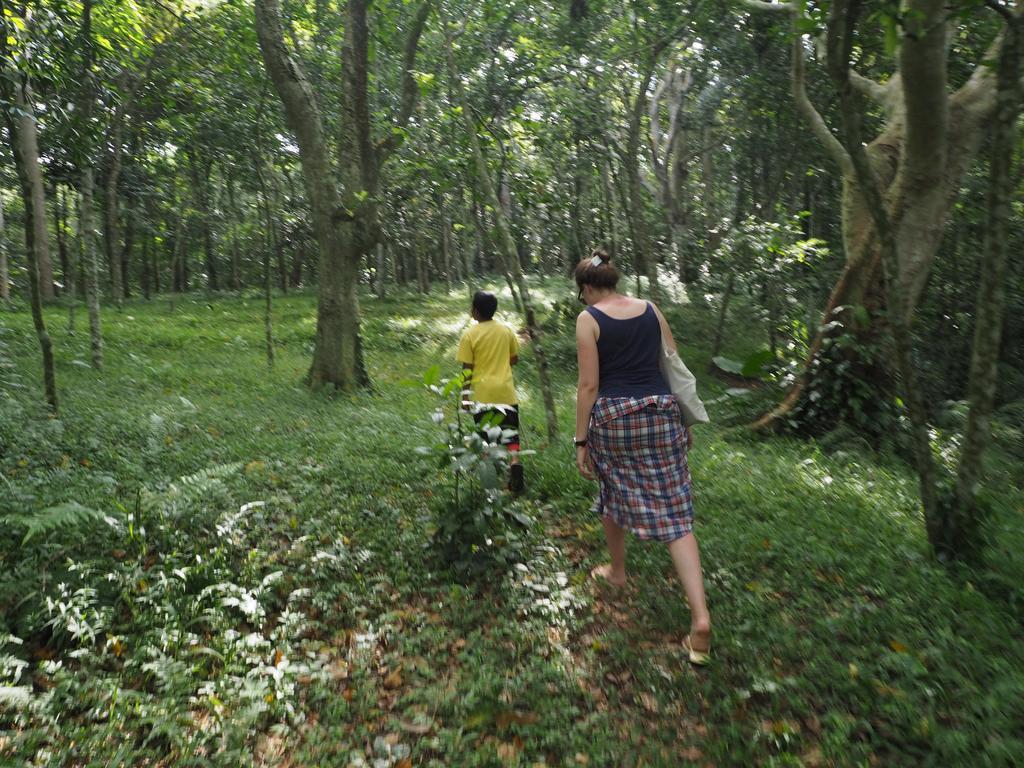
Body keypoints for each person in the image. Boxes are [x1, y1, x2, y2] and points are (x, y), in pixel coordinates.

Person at [573, 249, 712, 665]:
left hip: (615, 420)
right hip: (661, 413)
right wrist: (683, 422)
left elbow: (588, 386)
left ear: (587, 288)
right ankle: (700, 618)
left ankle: (617, 571)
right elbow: (672, 367)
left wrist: (581, 441)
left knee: (611, 488)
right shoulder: (652, 309)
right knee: (676, 515)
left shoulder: (589, 319)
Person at [457, 290, 524, 493]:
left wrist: (465, 396)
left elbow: (467, 369)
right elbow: (514, 359)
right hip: (506, 392)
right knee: (511, 435)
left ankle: (490, 480)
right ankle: (514, 464)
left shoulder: (469, 335)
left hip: (483, 395)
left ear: (475, 311)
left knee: (485, 437)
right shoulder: (506, 331)